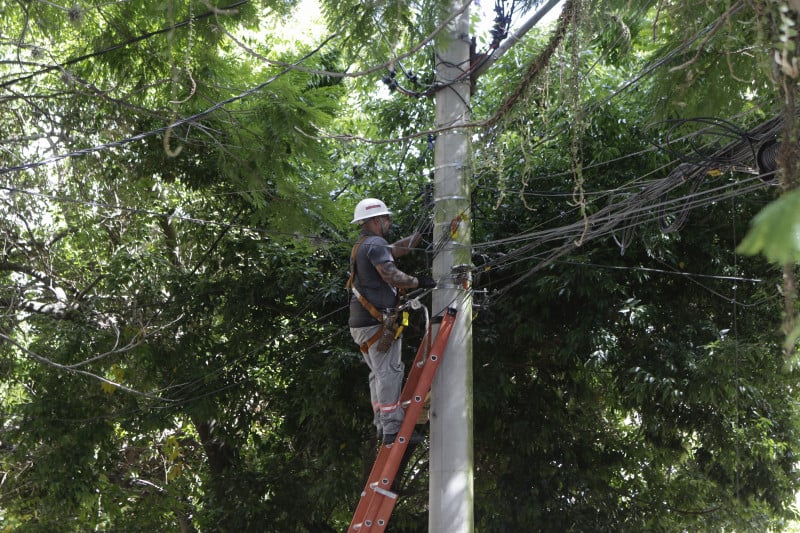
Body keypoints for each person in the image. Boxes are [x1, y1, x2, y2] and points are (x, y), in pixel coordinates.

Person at [347, 198, 436, 446]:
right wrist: (419, 281)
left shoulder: (364, 244)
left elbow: (395, 249)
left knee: (378, 373)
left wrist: (419, 236)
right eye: (387, 218)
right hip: (375, 323)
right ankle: (392, 428)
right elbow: (391, 275)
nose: (390, 222)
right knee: (389, 373)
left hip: (362, 324)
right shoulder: (375, 244)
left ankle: (381, 423)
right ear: (377, 220)